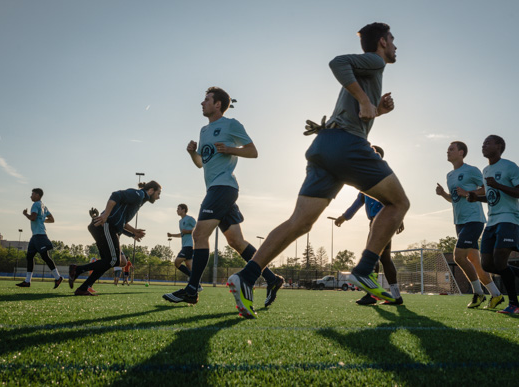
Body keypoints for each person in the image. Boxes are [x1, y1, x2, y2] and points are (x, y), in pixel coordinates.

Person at [228, 22, 410, 319]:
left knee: (299, 222)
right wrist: (366, 100)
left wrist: (377, 108)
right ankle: (364, 270)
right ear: (381, 42)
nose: (395, 45)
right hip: (347, 145)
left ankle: (246, 277)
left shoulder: (370, 70)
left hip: (324, 147)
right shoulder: (376, 61)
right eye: (392, 39)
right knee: (399, 202)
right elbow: (337, 62)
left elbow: (354, 108)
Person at [163, 87, 284, 307]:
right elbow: (201, 163)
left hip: (224, 187)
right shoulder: (203, 131)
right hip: (215, 189)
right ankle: (272, 279)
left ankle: (192, 289)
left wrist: (230, 149)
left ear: (218, 104)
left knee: (200, 235)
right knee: (236, 241)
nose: (202, 103)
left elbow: (253, 151)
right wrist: (192, 153)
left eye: (206, 99)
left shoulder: (231, 124)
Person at [465, 135, 519, 314]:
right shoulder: (485, 170)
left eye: (487, 143)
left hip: (509, 219)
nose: (483, 145)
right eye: (482, 143)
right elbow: (492, 198)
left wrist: (498, 185)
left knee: (500, 261)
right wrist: (477, 197)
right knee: (488, 265)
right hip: (492, 221)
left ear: (499, 146)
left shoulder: (509, 166)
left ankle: (515, 304)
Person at [435, 141, 503, 309]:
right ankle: (496, 294)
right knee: (475, 262)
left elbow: (487, 189)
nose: (447, 151)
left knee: (458, 257)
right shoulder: (450, 175)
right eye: (447, 149)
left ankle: (478, 293)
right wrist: (443, 194)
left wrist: (469, 193)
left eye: (451, 149)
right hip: (459, 222)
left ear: (461, 152)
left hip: (474, 220)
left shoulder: (471, 170)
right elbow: (454, 199)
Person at [334, 146, 404, 305]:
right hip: (376, 222)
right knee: (382, 258)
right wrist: (344, 217)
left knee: (374, 258)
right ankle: (392, 296)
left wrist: (399, 219)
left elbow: (396, 199)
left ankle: (374, 295)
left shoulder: (384, 176)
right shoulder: (366, 179)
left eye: (373, 152)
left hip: (383, 221)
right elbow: (359, 201)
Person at [68, 181, 161, 295]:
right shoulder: (139, 194)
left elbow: (121, 223)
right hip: (106, 225)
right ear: (151, 190)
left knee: (108, 262)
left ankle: (83, 288)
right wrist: (105, 216)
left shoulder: (139, 200)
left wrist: (133, 232)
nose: (159, 197)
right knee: (114, 260)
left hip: (108, 227)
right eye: (158, 193)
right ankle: (77, 270)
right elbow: (115, 195)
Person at [16, 188, 63, 288]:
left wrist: (25, 214)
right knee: (29, 257)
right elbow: (52, 219)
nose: (31, 196)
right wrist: (42, 220)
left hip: (39, 235)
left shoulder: (35, 204)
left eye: (32, 194)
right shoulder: (43, 206)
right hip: (35, 236)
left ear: (37, 195)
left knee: (45, 257)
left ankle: (58, 277)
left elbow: (32, 218)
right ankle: (27, 281)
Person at [167, 204, 196, 281]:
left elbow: (198, 229)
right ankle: (196, 285)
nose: (177, 210)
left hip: (189, 246)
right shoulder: (180, 221)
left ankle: (193, 280)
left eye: (178, 208)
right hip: (185, 246)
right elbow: (182, 234)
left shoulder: (190, 219)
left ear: (183, 210)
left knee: (177, 263)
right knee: (190, 268)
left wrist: (188, 231)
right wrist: (172, 235)